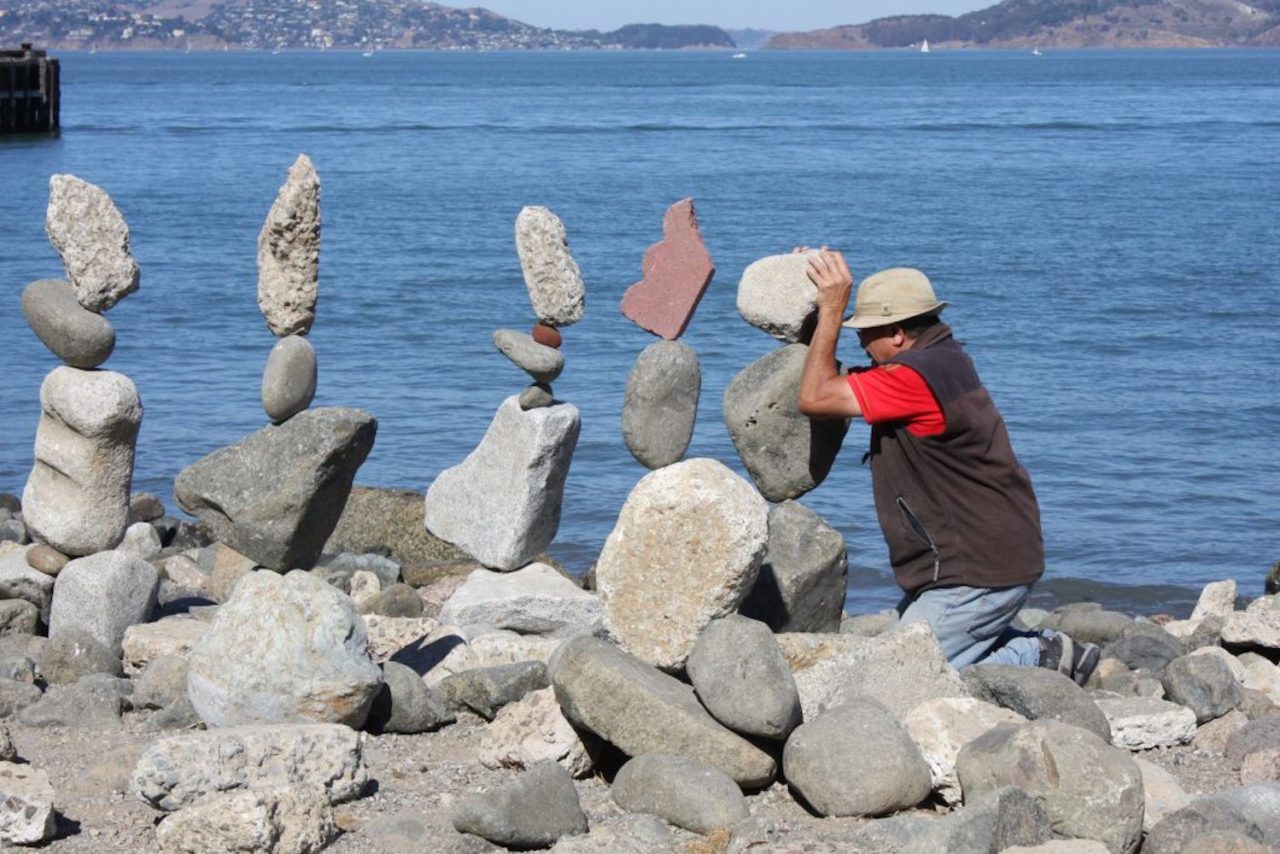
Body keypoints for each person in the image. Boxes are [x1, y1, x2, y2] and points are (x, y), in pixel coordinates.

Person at [796, 248, 1099, 684]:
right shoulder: (944, 359)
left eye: (866, 332)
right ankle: (995, 638)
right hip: (993, 558)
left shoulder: (911, 379)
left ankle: (1039, 655)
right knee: (890, 666)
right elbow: (830, 379)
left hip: (976, 574)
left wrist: (831, 309)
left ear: (898, 333)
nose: (860, 341)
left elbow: (815, 397)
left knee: (898, 685)